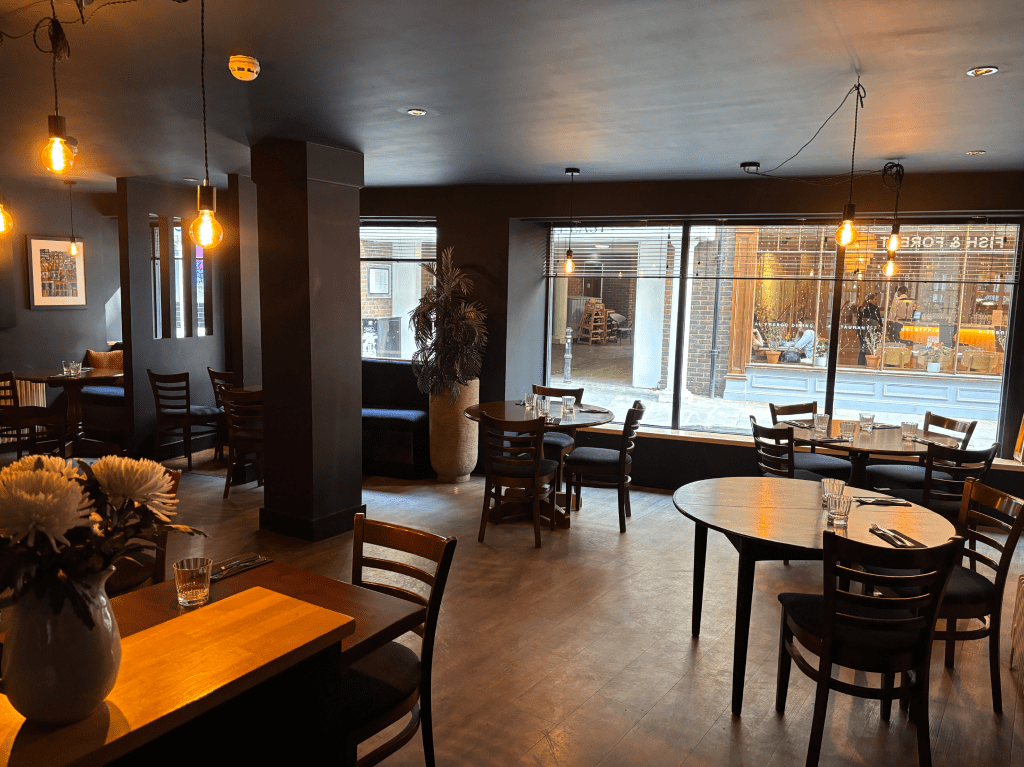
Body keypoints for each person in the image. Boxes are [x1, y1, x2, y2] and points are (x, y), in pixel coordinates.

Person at [857, 293, 883, 366]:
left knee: (863, 349)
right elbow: (878, 321)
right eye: (875, 299)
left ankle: (860, 365)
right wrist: (881, 329)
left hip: (862, 331)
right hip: (872, 332)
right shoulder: (875, 308)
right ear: (870, 300)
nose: (876, 301)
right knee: (873, 350)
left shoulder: (861, 308)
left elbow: (859, 321)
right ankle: (872, 364)